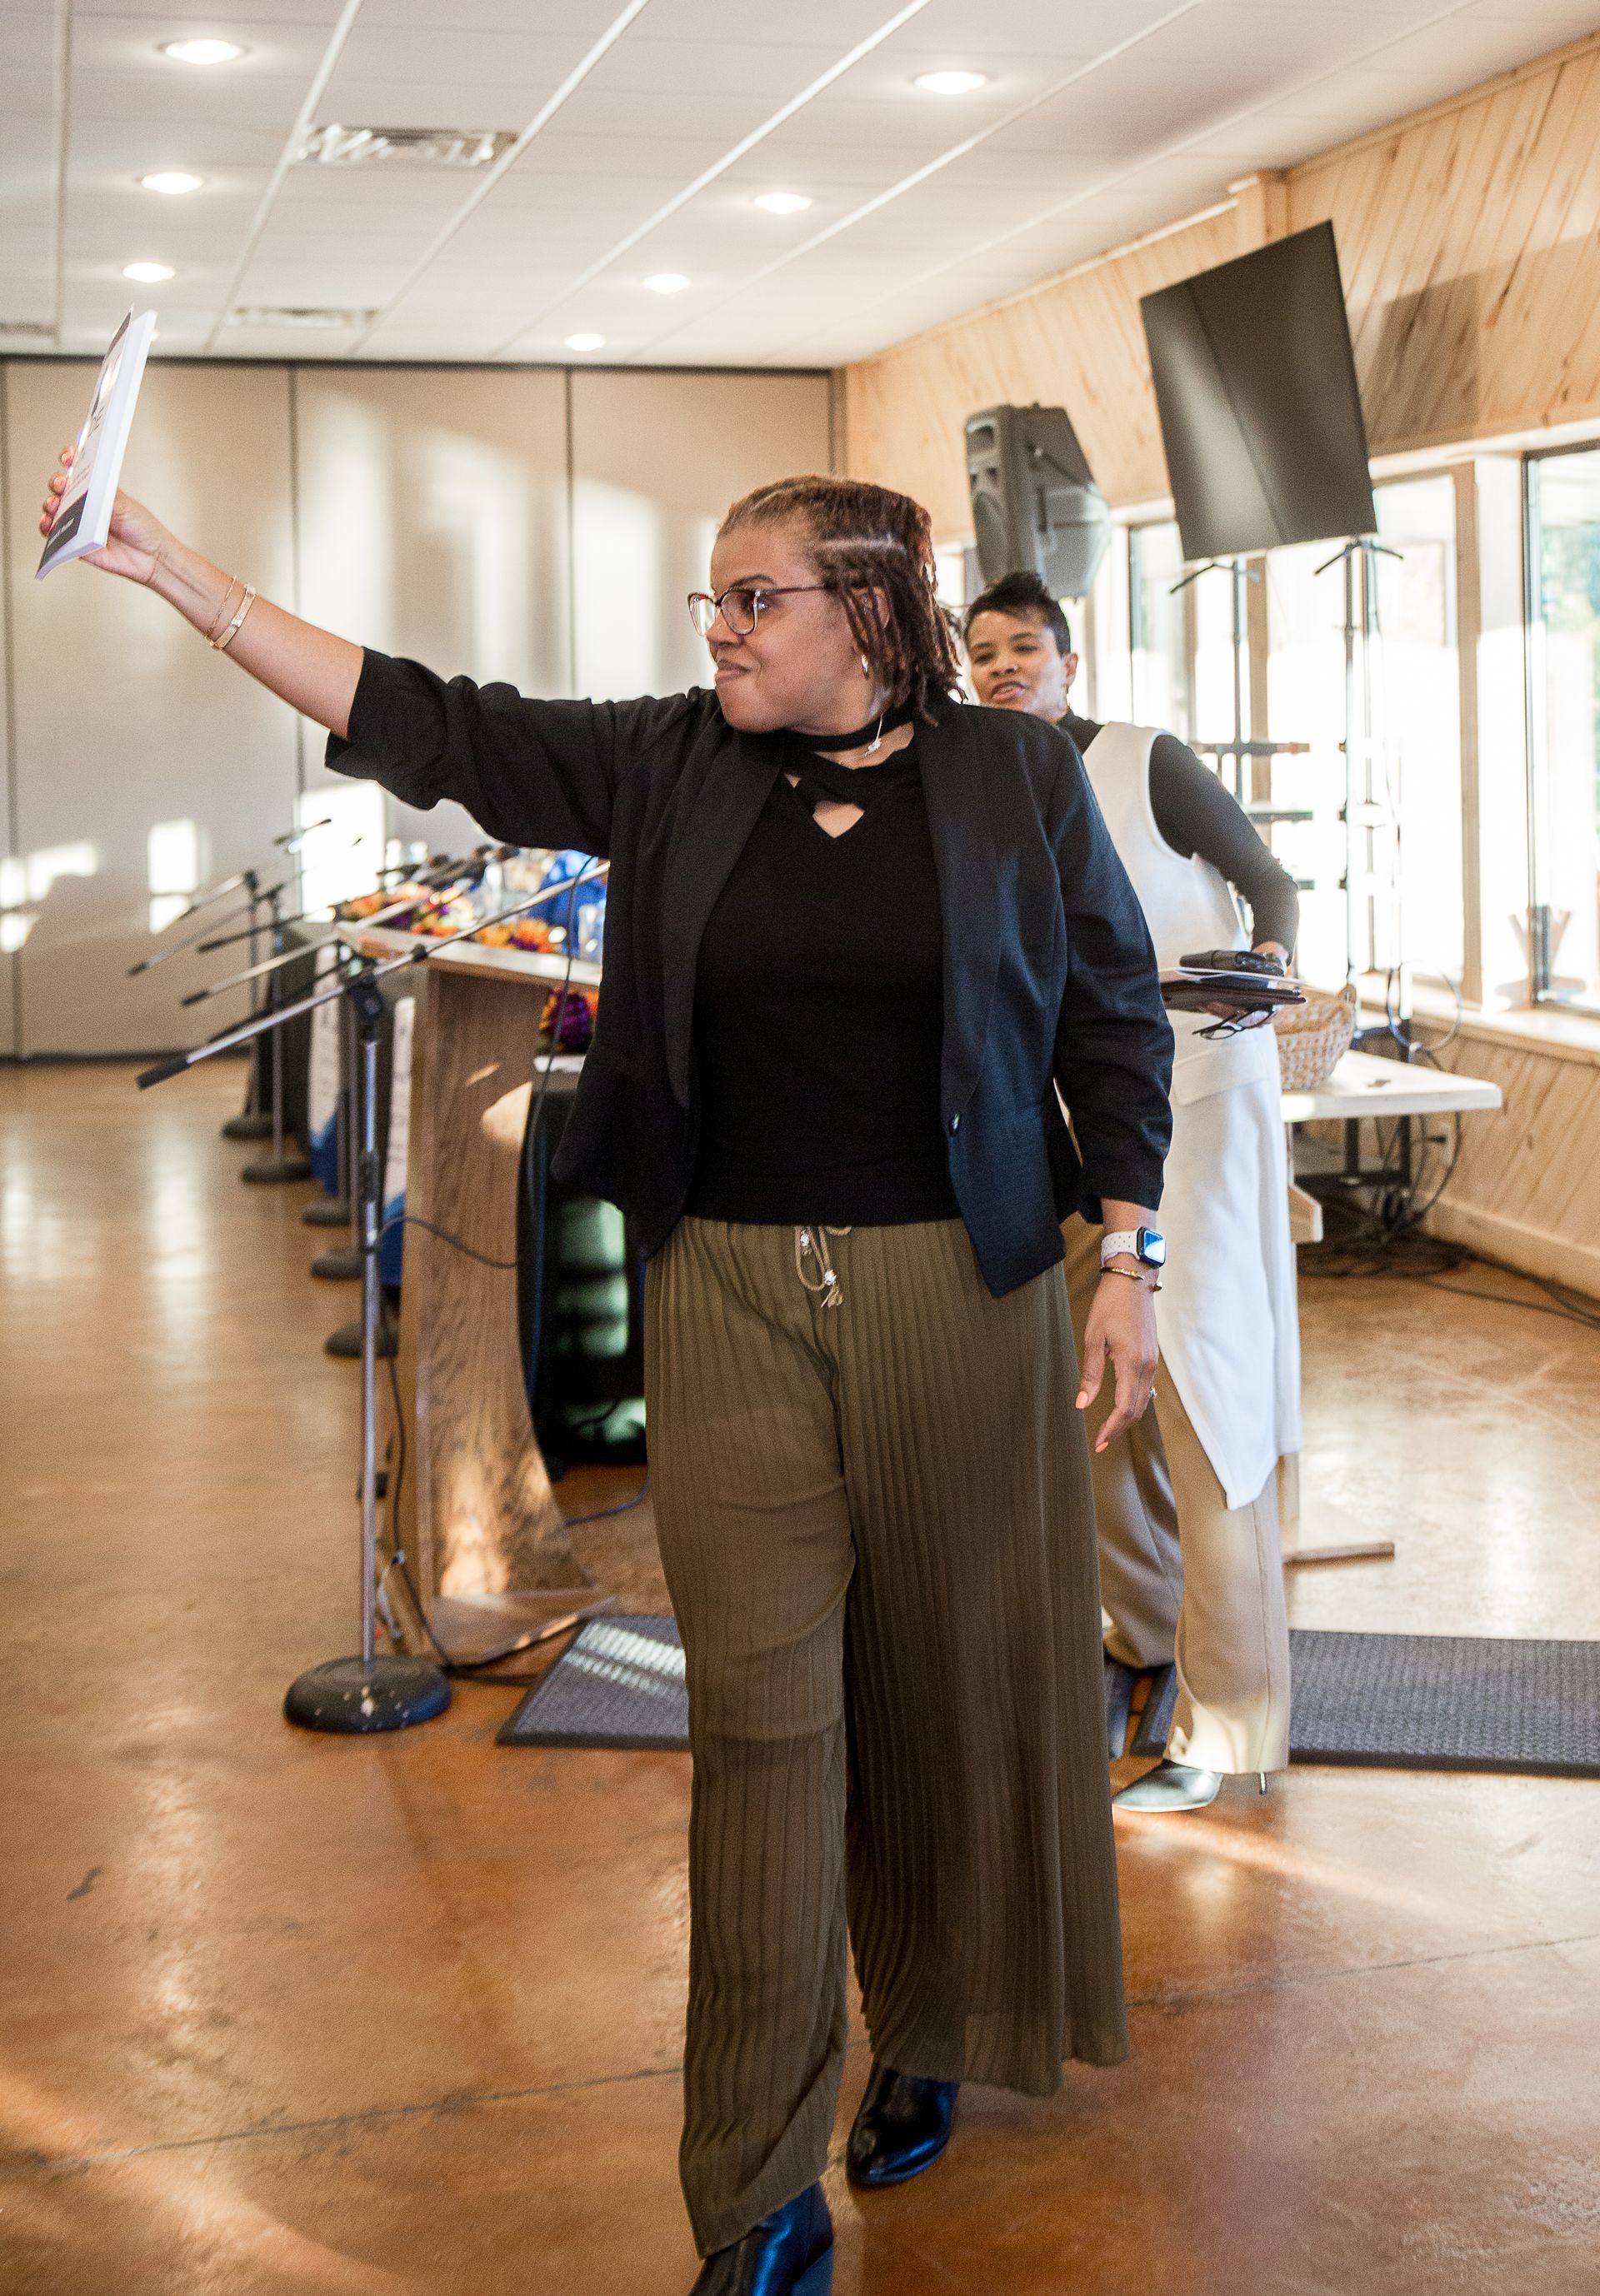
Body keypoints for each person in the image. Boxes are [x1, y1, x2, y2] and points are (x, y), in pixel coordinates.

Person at [43, 461, 1175, 2294]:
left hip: (960, 1296)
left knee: (951, 1695)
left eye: (754, 599)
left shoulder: (1013, 776)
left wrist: (1125, 1248)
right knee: (760, 1731)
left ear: (871, 615)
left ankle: (933, 2021)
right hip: (725, 1289)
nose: (717, 630)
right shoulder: (670, 759)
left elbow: (1114, 1013)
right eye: (709, 603)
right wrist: (177, 567)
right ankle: (751, 2184)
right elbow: (427, 719)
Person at [966, 569, 1299, 1814]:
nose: (1006, 668)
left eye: (1027, 650)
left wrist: (1265, 961)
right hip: (1071, 1122)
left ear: (1070, 664)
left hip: (1199, 1099)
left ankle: (1233, 1721)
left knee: (1206, 1398)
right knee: (1092, 1388)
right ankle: (1143, 1635)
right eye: (986, 653)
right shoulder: (979, 781)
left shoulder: (1143, 761)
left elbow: (1273, 883)